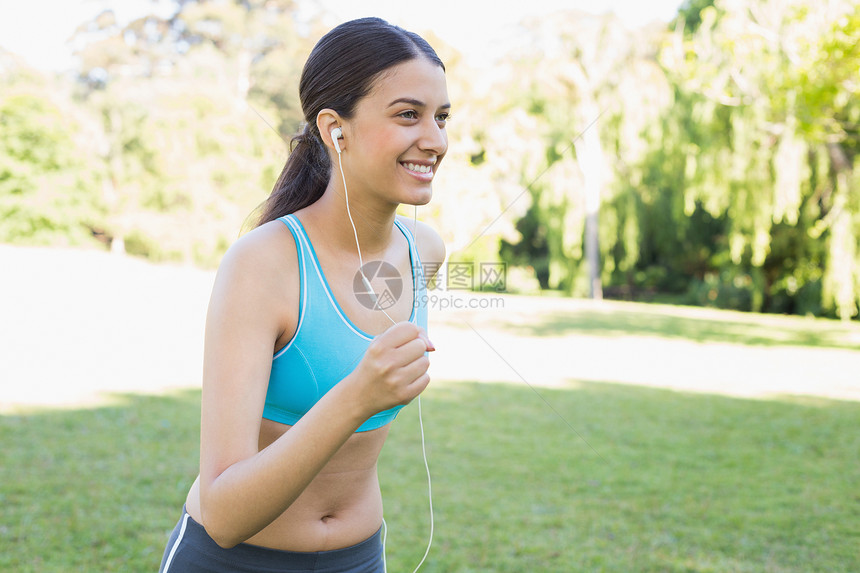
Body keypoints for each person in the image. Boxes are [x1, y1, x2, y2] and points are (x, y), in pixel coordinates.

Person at [158, 17, 449, 573]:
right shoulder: (261, 265)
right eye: (408, 114)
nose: (434, 140)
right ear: (335, 128)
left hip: (359, 559)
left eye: (441, 117)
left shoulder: (425, 251)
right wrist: (357, 395)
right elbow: (223, 512)